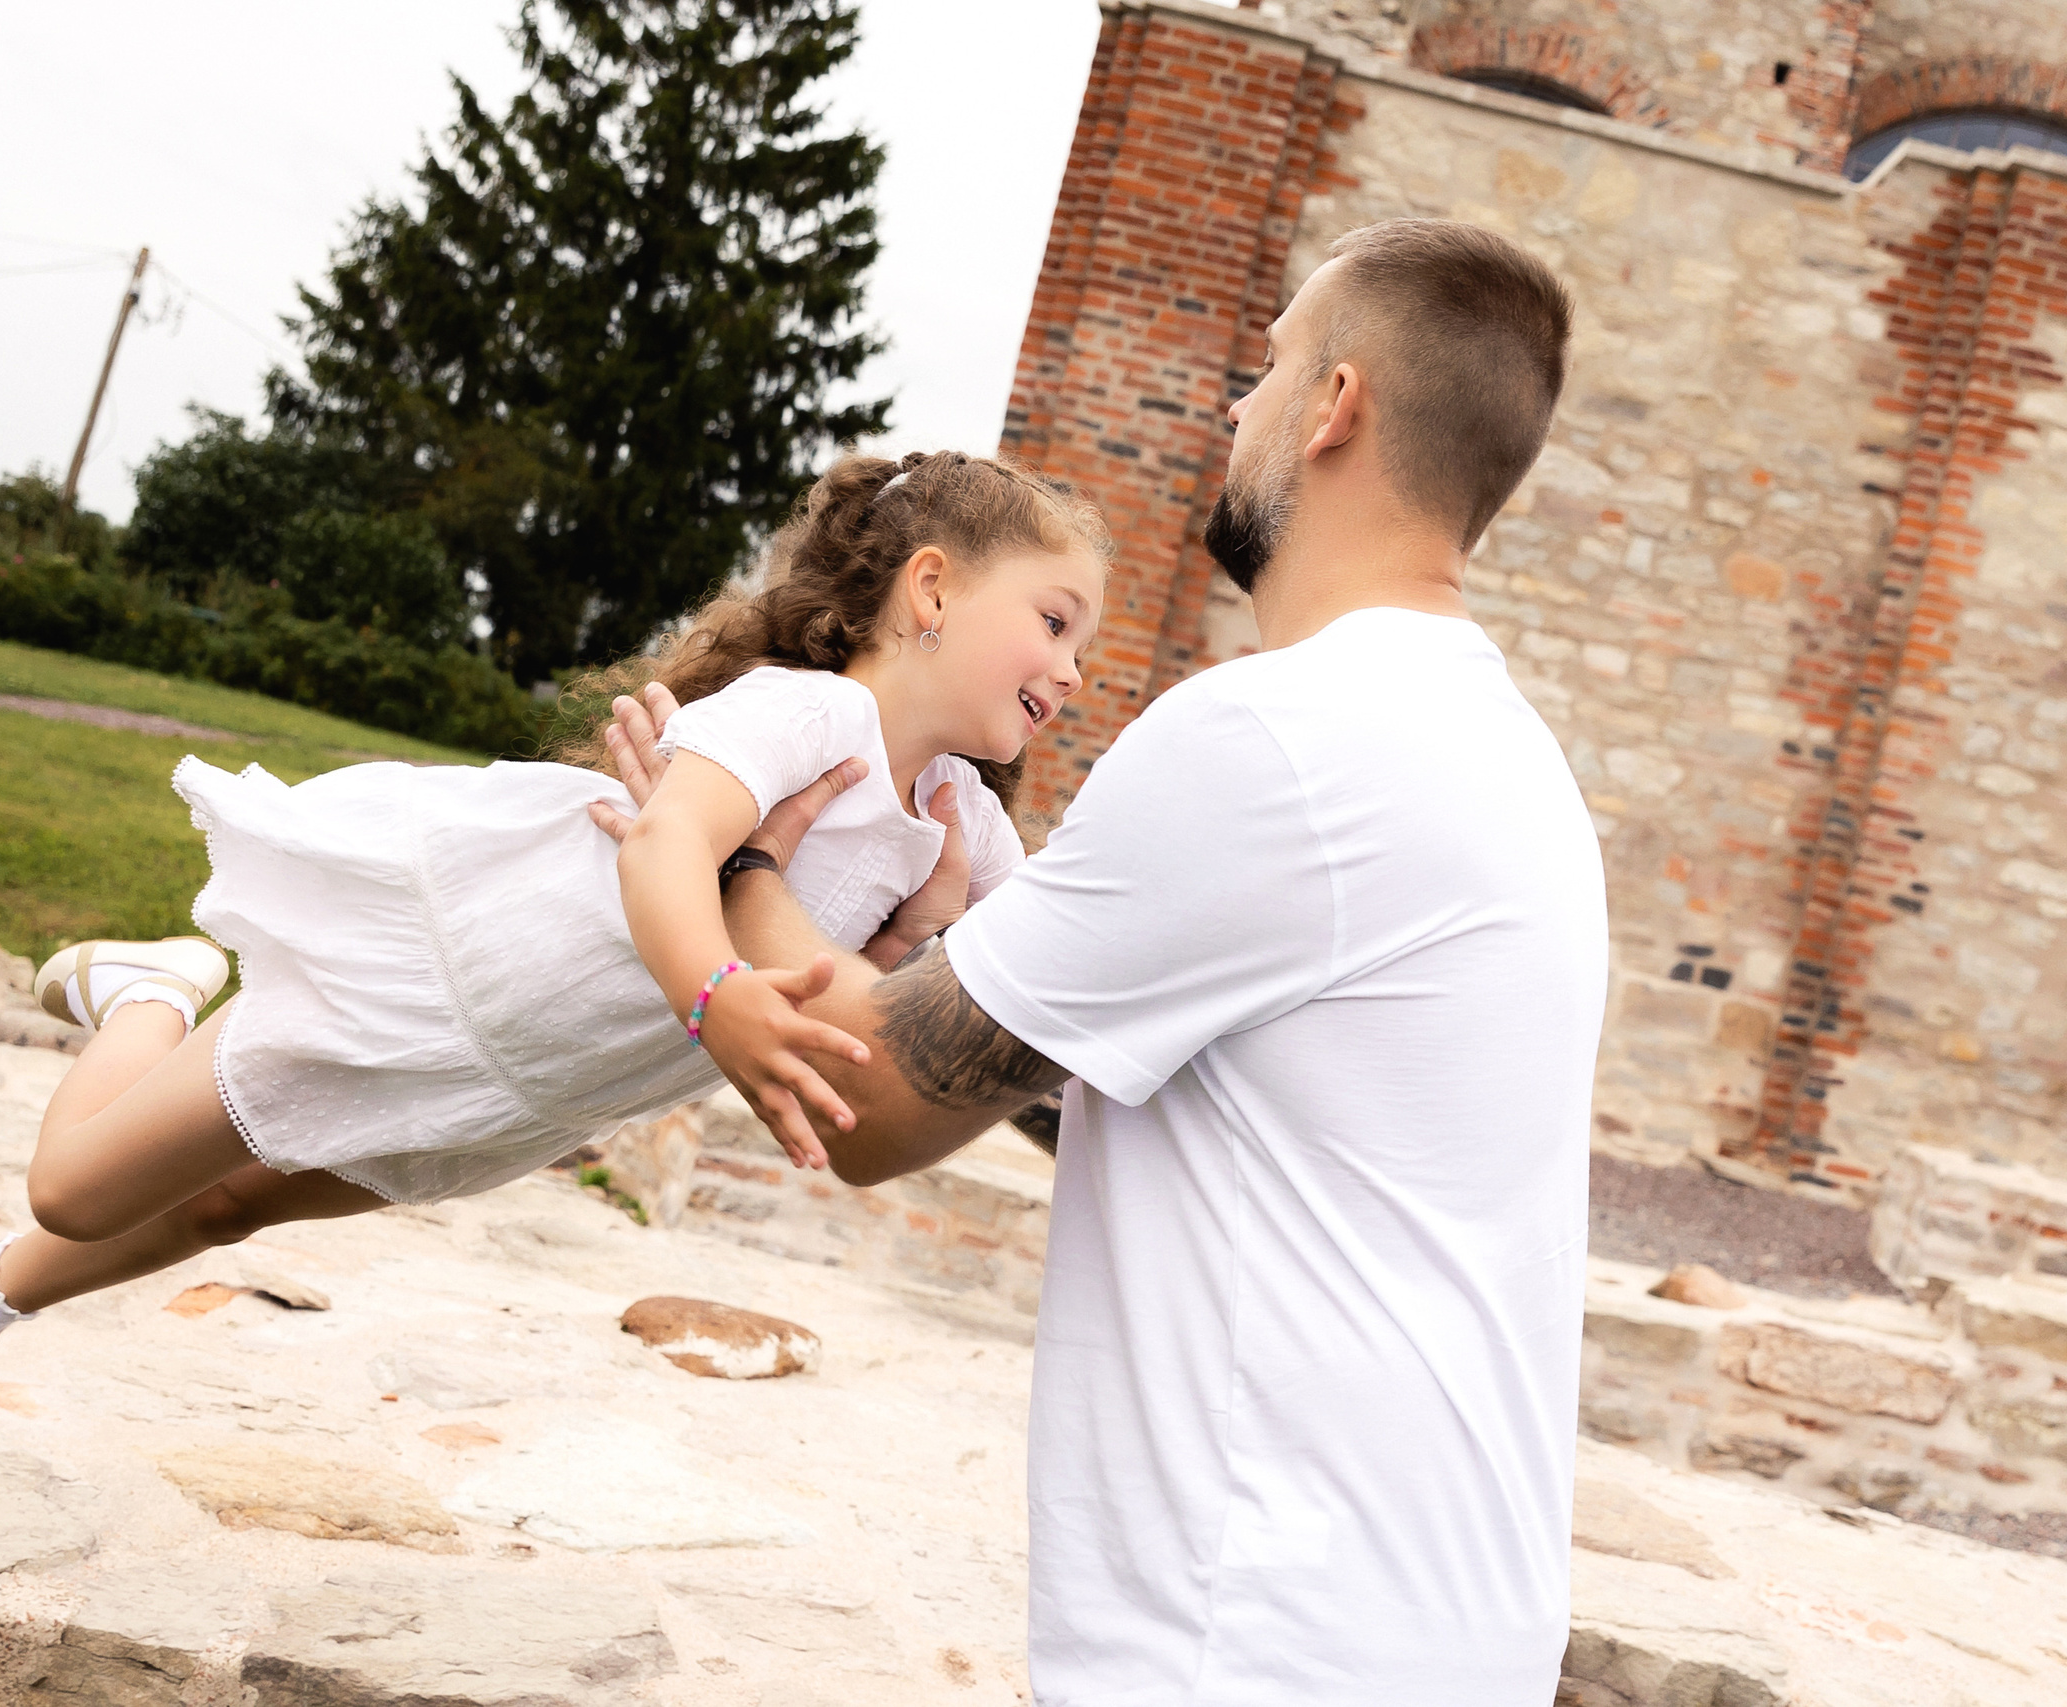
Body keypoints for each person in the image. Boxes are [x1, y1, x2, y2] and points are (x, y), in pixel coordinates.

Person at [653, 219, 1609, 1702]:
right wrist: (943, 948)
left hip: (1258, 1643)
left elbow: (873, 1102)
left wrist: (738, 852)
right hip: (1445, 1628)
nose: (1238, 402)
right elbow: (1189, 1093)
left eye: (1269, 366)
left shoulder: (1272, 740)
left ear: (1335, 405)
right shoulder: (1511, 759)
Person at [0, 448, 1109, 1456]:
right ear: (931, 591)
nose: (1069, 671)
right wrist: (718, 996)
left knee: (231, 1210)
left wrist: (915, 938)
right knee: (72, 1191)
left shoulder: (963, 824)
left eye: (1081, 648)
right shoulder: (810, 711)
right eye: (1053, 623)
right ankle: (149, 995)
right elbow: (665, 847)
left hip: (527, 1086)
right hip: (442, 985)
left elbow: (1041, 981)